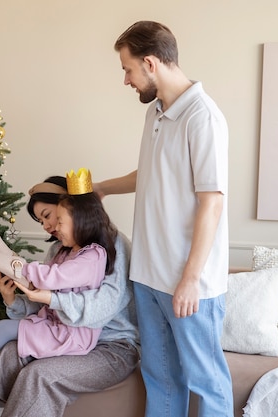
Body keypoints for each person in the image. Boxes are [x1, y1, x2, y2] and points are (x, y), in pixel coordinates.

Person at [95, 21, 233, 416]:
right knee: (161, 379)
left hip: (188, 284)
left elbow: (212, 202)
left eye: (128, 69)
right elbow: (149, 174)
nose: (126, 80)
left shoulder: (202, 118)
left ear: (151, 63)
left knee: (206, 384)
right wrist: (102, 188)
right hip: (148, 276)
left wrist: (190, 279)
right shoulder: (156, 111)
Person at [0, 175, 140, 417]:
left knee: (38, 375)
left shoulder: (111, 246)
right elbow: (42, 303)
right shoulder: (59, 250)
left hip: (113, 346)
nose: (47, 226)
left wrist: (52, 298)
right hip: (66, 333)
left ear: (72, 207)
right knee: (10, 352)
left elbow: (102, 307)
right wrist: (12, 300)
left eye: (49, 216)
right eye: (41, 221)